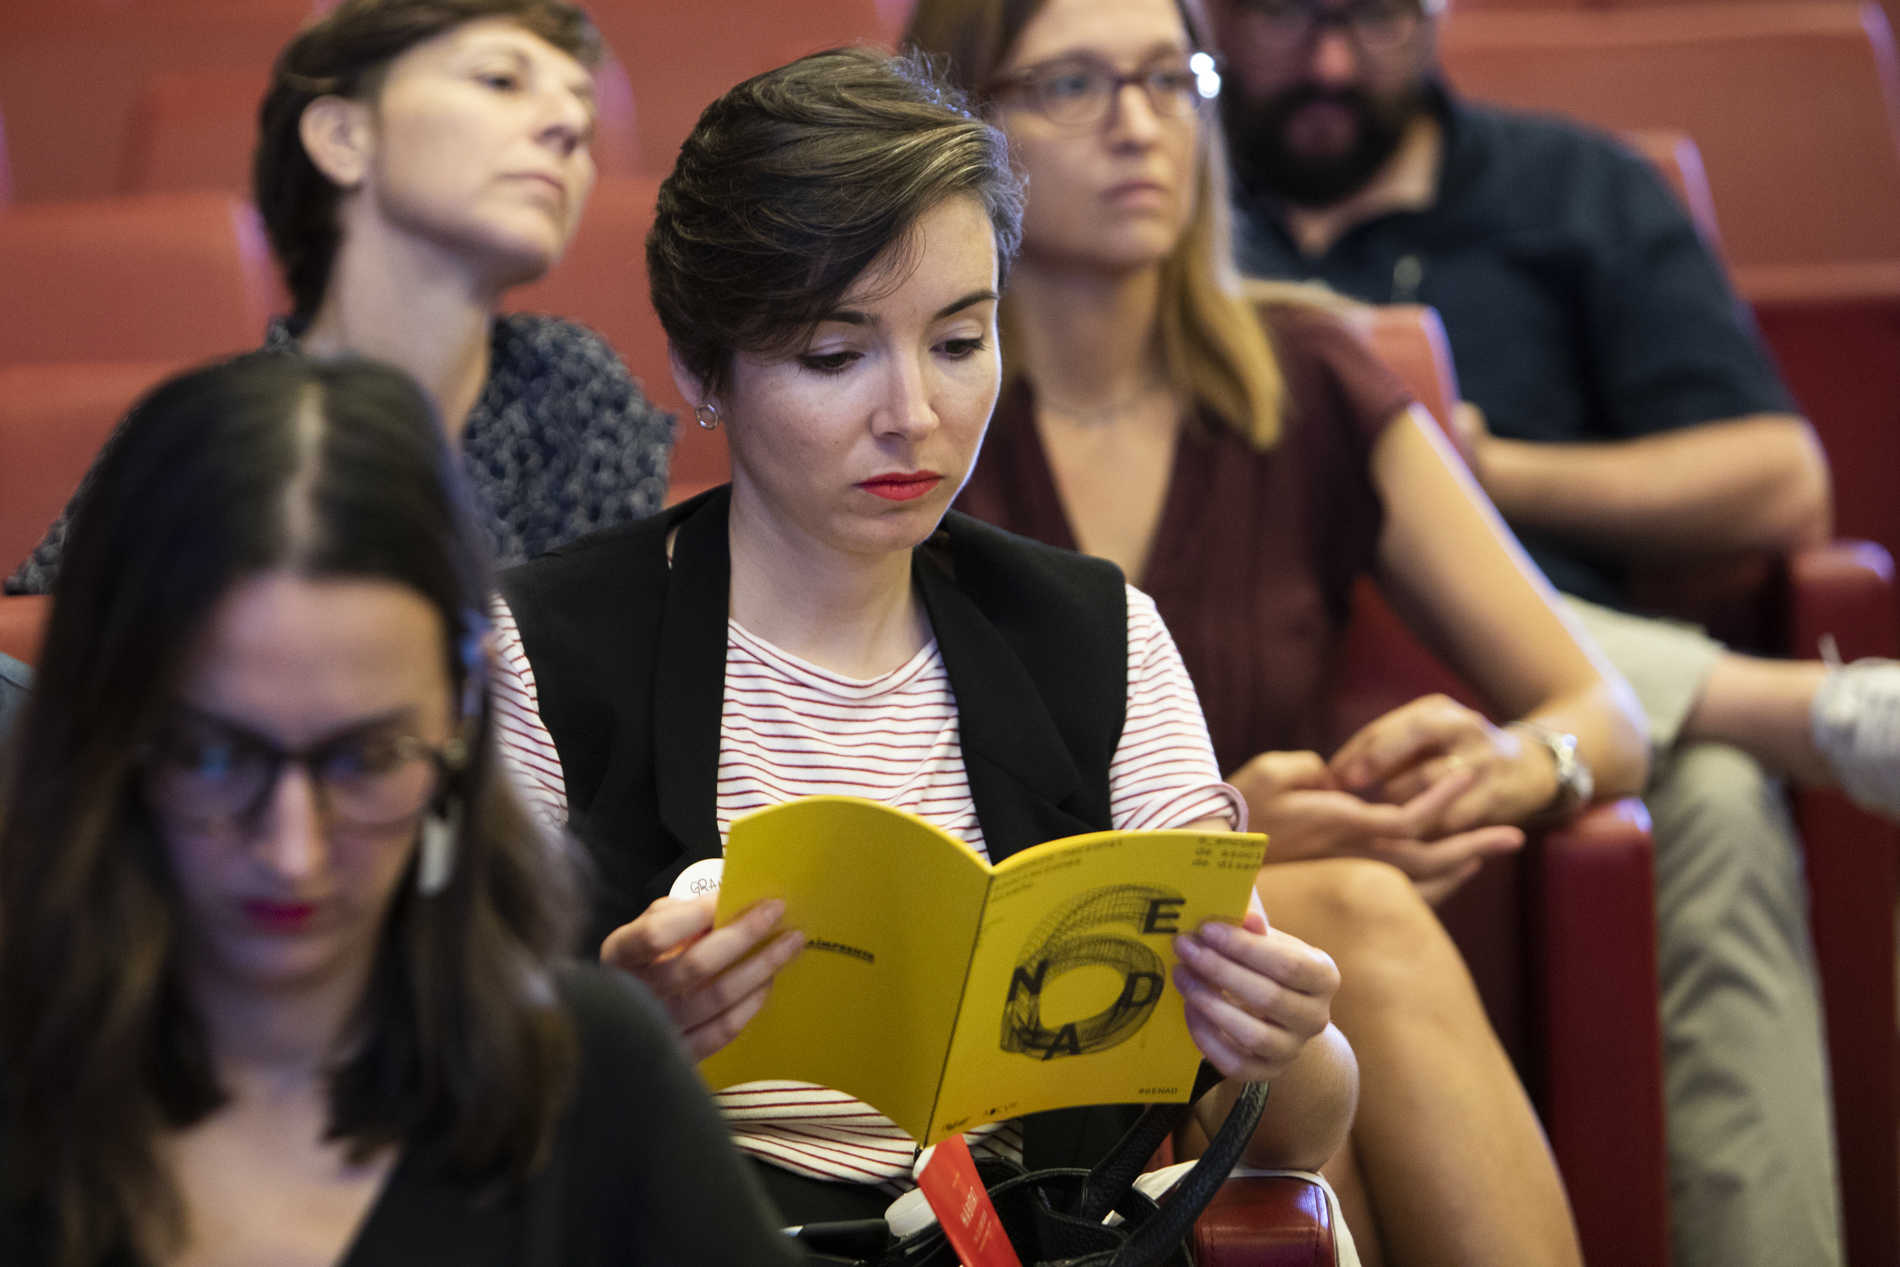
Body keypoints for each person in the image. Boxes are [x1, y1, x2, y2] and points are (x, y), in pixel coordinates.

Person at [491, 46, 1358, 1231]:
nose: (914, 414)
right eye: (833, 356)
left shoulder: (1097, 634)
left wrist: (1280, 1036)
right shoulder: (542, 648)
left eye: (958, 342)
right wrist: (606, 1027)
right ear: (703, 367)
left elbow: (1280, 1147)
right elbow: (447, 1113)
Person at [902, 0, 1651, 1262]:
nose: (1141, 126)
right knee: (1331, 928)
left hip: (1287, 990)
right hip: (1019, 1016)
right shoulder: (906, 411)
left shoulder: (1308, 373)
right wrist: (1214, 851)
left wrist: (1505, 766)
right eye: (1075, 83)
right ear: (962, 124)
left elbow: (1605, 715)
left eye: (1165, 77)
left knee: (1327, 942)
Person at [1207, 0, 1900, 1260]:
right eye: (1278, 18)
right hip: (1278, 707)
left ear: (1433, 11)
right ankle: (1790, 704)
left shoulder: (1572, 187)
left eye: (1362, 19)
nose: (1320, 61)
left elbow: (1778, 481)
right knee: (1373, 572)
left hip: (1542, 690)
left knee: (1723, 802)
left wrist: (1470, 472)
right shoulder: (1151, 222)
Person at [0, 355, 799, 1267]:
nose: (294, 852)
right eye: (216, 756)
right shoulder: (26, 1094)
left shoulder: (594, 1076)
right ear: (104, 733)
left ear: (460, 735)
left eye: (369, 759)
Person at [5, 0, 673, 596]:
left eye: (583, 114)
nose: (566, 125)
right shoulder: (208, 437)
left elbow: (615, 690)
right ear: (343, 138)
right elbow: (51, 688)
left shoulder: (575, 388)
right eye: (500, 79)